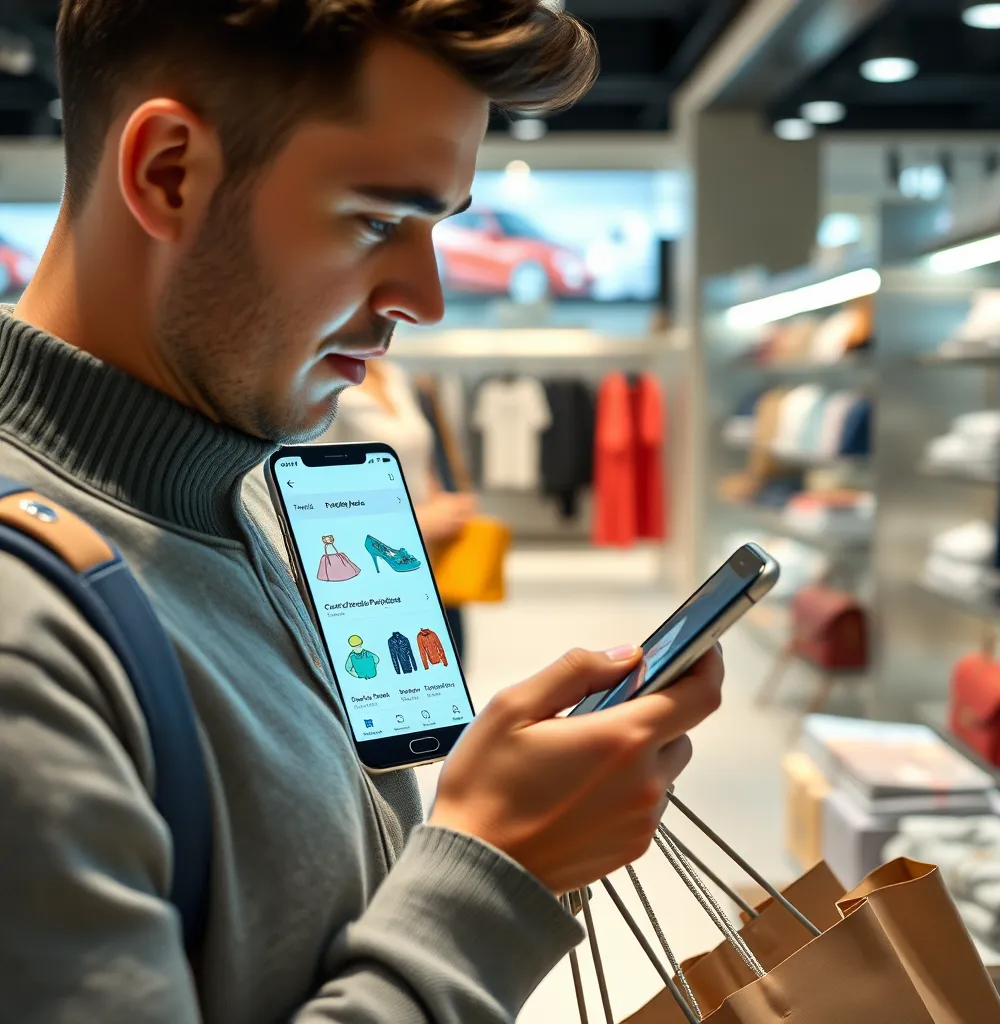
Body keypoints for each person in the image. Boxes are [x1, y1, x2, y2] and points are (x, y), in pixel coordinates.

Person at [0, 2, 725, 1022]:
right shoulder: (25, 646)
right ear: (168, 171)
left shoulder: (238, 491)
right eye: (380, 219)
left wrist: (500, 823)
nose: (425, 296)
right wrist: (489, 874)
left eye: (439, 225)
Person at [321, 358, 477, 654]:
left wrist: (441, 500)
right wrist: (415, 521)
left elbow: (419, 456)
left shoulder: (394, 374)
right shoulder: (325, 382)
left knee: (443, 656)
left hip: (424, 548)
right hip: (375, 550)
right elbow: (317, 496)